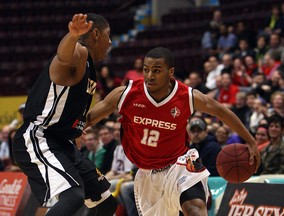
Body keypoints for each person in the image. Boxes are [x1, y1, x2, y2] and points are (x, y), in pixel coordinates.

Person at [85, 47, 260, 216]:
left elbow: (222, 112)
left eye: (156, 70)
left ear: (170, 72)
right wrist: (75, 132)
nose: (149, 76)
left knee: (195, 208)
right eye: (146, 70)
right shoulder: (126, 94)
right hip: (147, 173)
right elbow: (90, 117)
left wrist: (250, 141)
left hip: (181, 164)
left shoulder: (187, 96)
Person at [12, 13, 117, 216]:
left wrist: (75, 129)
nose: (110, 41)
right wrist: (72, 36)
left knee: (106, 204)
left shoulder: (89, 69)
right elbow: (65, 56)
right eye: (108, 35)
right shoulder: (79, 52)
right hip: (39, 137)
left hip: (63, 143)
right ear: (96, 34)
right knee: (73, 196)